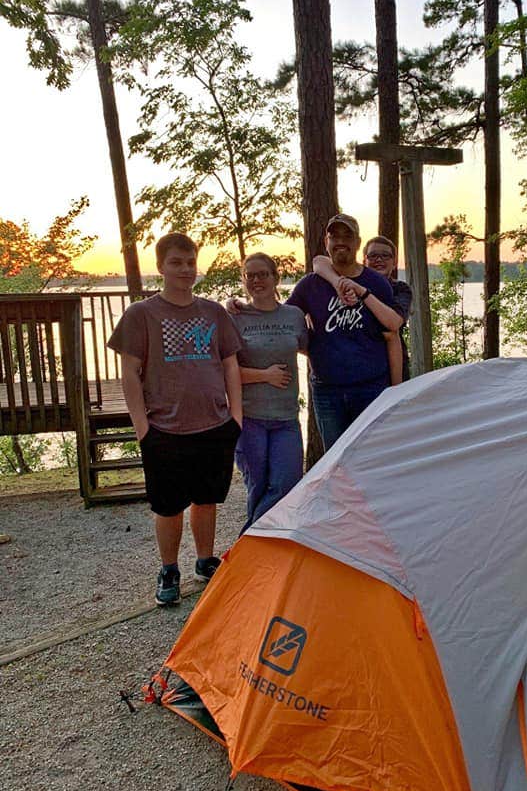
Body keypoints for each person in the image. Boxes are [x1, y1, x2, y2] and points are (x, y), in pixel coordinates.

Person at [108, 232, 243, 607]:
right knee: (168, 506)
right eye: (176, 263)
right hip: (164, 429)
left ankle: (204, 559)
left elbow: (230, 364)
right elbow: (129, 374)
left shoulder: (213, 312)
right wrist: (142, 430)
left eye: (189, 262)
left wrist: (236, 417)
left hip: (214, 426)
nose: (185, 270)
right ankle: (169, 568)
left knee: (207, 499)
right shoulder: (142, 314)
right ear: (161, 267)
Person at [286, 214, 400, 451]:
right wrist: (244, 309)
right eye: (334, 236)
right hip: (327, 392)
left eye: (347, 236)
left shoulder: (377, 285)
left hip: (372, 389)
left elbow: (392, 337)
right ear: (326, 242)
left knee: (372, 455)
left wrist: (396, 390)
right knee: (336, 462)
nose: (340, 241)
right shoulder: (310, 285)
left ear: (358, 243)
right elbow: (284, 323)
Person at [229, 253, 308, 533]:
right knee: (258, 486)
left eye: (263, 274)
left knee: (287, 483)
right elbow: (223, 372)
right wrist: (264, 375)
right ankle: (258, 556)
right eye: (250, 275)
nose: (257, 280)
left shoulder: (294, 316)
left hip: (286, 418)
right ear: (244, 281)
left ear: (276, 278)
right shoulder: (234, 317)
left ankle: (246, 542)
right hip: (249, 418)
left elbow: (313, 351)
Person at [313, 234, 413, 384]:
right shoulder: (347, 285)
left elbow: (394, 322)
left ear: (394, 263)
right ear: (364, 260)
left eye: (386, 255)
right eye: (373, 255)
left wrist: (363, 293)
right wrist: (336, 281)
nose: (379, 260)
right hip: (358, 372)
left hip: (393, 369)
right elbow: (319, 261)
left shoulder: (400, 289)